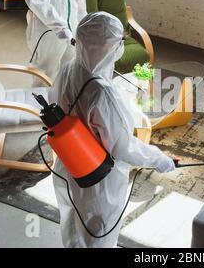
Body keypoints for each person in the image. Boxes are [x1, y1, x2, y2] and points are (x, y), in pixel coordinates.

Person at [49, 12, 177, 248]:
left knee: (72, 224)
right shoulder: (102, 94)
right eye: (119, 42)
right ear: (109, 48)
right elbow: (123, 147)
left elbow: (66, 101)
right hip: (99, 180)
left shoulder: (68, 68)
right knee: (99, 233)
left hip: (68, 166)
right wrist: (160, 159)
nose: (121, 47)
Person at [20, 0, 87, 86]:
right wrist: (60, 28)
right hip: (47, 32)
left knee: (68, 71)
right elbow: (38, 1)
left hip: (72, 27)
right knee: (45, 75)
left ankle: (63, 105)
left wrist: (83, 21)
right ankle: (41, 107)